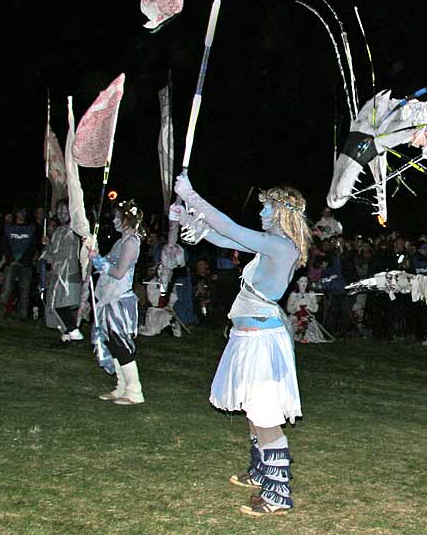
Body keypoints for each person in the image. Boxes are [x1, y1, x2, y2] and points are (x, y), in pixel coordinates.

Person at [174, 175, 311, 517]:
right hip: (249, 338)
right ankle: (260, 471)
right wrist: (195, 225)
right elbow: (225, 236)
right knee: (254, 409)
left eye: (266, 207)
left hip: (263, 343)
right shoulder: (272, 241)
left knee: (265, 416)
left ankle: (278, 494)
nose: (261, 212)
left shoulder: (282, 246)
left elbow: (232, 229)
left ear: (281, 211)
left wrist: (192, 195)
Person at [89, 200, 144, 405]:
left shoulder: (131, 242)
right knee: (113, 343)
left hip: (119, 300)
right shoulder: (120, 242)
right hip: (109, 297)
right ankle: (121, 386)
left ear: (127, 219)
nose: (114, 220)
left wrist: (98, 261)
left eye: (117, 217)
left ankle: (135, 389)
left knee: (121, 344)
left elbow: (119, 272)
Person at [42, 200, 85, 342]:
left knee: (62, 304)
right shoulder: (59, 231)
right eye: (59, 212)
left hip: (68, 274)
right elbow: (54, 250)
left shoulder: (73, 231)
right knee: (56, 304)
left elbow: (65, 254)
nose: (61, 215)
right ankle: (67, 333)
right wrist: (47, 245)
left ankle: (73, 331)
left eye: (65, 212)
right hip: (58, 273)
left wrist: (50, 258)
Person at [0, 207, 38, 318]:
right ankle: (0, 312)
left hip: (26, 264)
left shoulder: (31, 228)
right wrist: (11, 260)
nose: (22, 214)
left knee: (24, 290)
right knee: (6, 288)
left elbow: (33, 246)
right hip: (11, 263)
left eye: (24, 212)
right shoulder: (8, 228)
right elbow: (4, 245)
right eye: (20, 212)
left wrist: (24, 260)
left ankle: (22, 314)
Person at [286, 275, 332, 343]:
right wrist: (296, 308)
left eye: (305, 281)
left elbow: (315, 308)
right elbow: (289, 309)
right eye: (301, 281)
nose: (304, 283)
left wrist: (309, 306)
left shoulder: (311, 294)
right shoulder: (293, 294)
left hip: (307, 318)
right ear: (297, 282)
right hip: (295, 318)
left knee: (309, 329)